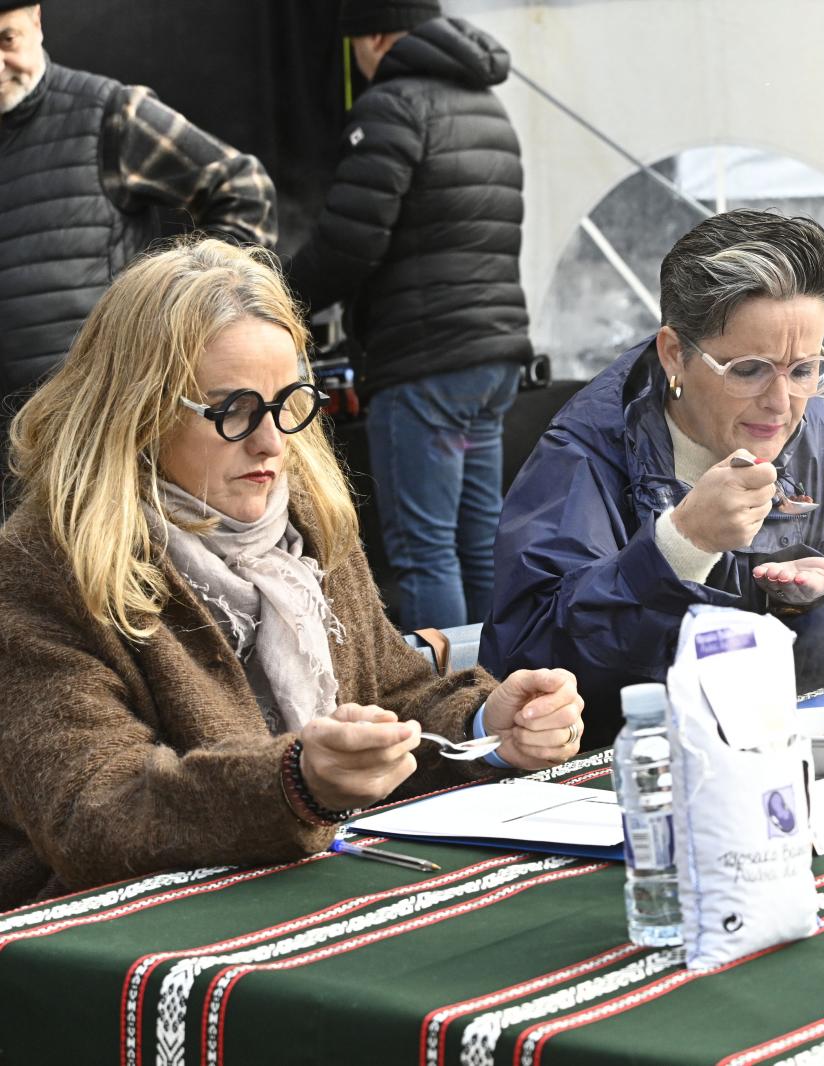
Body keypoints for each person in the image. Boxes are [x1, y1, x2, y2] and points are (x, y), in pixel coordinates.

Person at [0, 240, 584, 910]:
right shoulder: (41, 570)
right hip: (103, 949)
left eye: (288, 404)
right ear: (137, 413)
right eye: (234, 410)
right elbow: (93, 811)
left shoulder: (305, 522)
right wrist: (298, 784)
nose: (273, 443)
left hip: (310, 894)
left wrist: (486, 725)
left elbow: (394, 697)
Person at [482, 210, 824, 743]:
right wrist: (678, 547)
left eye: (805, 369)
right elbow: (528, 666)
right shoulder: (581, 457)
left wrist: (815, 608)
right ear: (674, 354)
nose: (781, 403)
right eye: (748, 369)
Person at [287, 0, 531, 632]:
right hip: (492, 358)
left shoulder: (392, 104)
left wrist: (276, 295)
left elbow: (350, 241)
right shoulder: (486, 103)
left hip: (425, 363)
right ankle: (492, 696)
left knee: (424, 553)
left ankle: (448, 704)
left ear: (372, 37)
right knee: (477, 543)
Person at [0, 1, 275, 434]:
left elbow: (242, 188)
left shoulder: (108, 115)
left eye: (6, 39)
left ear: (36, 21)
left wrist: (191, 314)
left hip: (92, 433)